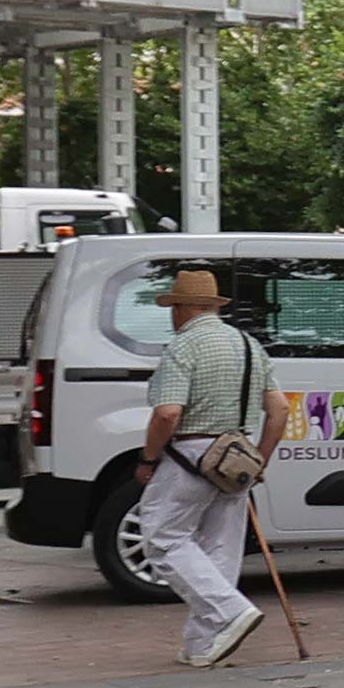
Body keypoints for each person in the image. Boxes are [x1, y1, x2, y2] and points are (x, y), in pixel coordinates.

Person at [132, 268, 284, 667]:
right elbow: (280, 410)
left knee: (162, 538)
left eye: (172, 307)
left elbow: (167, 414)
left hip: (190, 454)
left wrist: (148, 458)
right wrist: (259, 461)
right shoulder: (249, 345)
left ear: (182, 309)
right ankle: (202, 644)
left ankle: (229, 610)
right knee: (220, 548)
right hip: (235, 456)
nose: (171, 315)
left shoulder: (184, 346)